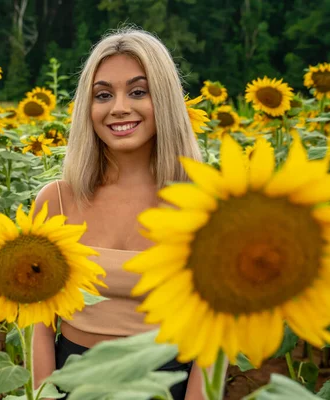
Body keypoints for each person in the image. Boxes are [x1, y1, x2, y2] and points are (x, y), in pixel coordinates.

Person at [31, 27, 207, 400]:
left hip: (165, 384)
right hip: (74, 382)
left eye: (138, 91)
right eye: (103, 95)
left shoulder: (203, 205)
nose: (119, 107)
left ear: (165, 100)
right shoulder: (56, 202)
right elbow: (42, 326)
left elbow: (214, 336)